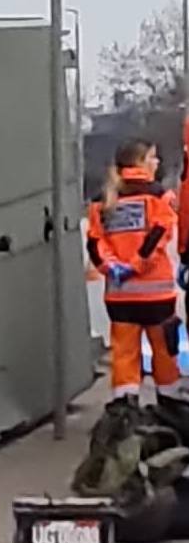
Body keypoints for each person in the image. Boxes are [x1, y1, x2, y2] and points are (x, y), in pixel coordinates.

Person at [87, 138, 186, 408]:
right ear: (141, 162)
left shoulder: (102, 200)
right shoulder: (158, 196)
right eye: (153, 157)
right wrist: (138, 263)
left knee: (124, 355)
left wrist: (113, 267)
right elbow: (159, 233)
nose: (157, 163)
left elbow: (95, 242)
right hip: (156, 295)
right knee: (165, 351)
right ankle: (171, 404)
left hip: (120, 298)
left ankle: (125, 410)